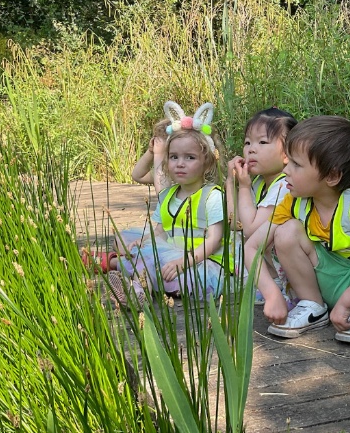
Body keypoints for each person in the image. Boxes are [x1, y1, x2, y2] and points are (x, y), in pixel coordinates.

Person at [243, 116, 350, 344]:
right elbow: (251, 247)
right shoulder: (293, 202)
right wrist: (271, 294)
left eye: (296, 165)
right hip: (320, 280)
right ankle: (313, 305)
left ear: (332, 176)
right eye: (288, 161)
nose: (286, 169)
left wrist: (347, 302)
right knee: (286, 231)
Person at [85, 102, 228, 301]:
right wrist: (143, 241)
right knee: (141, 254)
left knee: (172, 274)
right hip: (169, 254)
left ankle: (132, 279)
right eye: (174, 157)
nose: (180, 163)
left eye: (190, 157)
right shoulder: (169, 195)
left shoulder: (212, 196)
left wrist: (183, 262)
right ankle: (137, 287)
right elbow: (161, 231)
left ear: (207, 162)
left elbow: (213, 241)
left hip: (199, 261)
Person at [226, 107, 298, 306]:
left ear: (287, 153)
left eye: (262, 142)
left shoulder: (285, 185)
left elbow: (251, 229)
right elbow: (236, 224)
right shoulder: (259, 183)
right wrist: (230, 184)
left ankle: (284, 289)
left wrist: (243, 185)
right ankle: (272, 283)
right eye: (247, 142)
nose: (251, 149)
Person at [131, 118, 172, 192]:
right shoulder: (166, 170)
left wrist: (159, 155)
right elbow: (138, 176)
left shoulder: (184, 171)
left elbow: (163, 195)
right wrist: (150, 151)